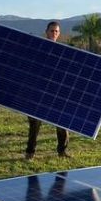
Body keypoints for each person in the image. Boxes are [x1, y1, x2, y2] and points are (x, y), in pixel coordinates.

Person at [25, 21, 70, 159]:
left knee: (62, 122)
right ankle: (30, 152)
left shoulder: (64, 52)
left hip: (56, 92)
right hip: (39, 91)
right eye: (52, 31)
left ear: (59, 33)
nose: (54, 33)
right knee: (35, 124)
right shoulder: (39, 48)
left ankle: (62, 151)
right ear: (46, 32)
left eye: (56, 31)